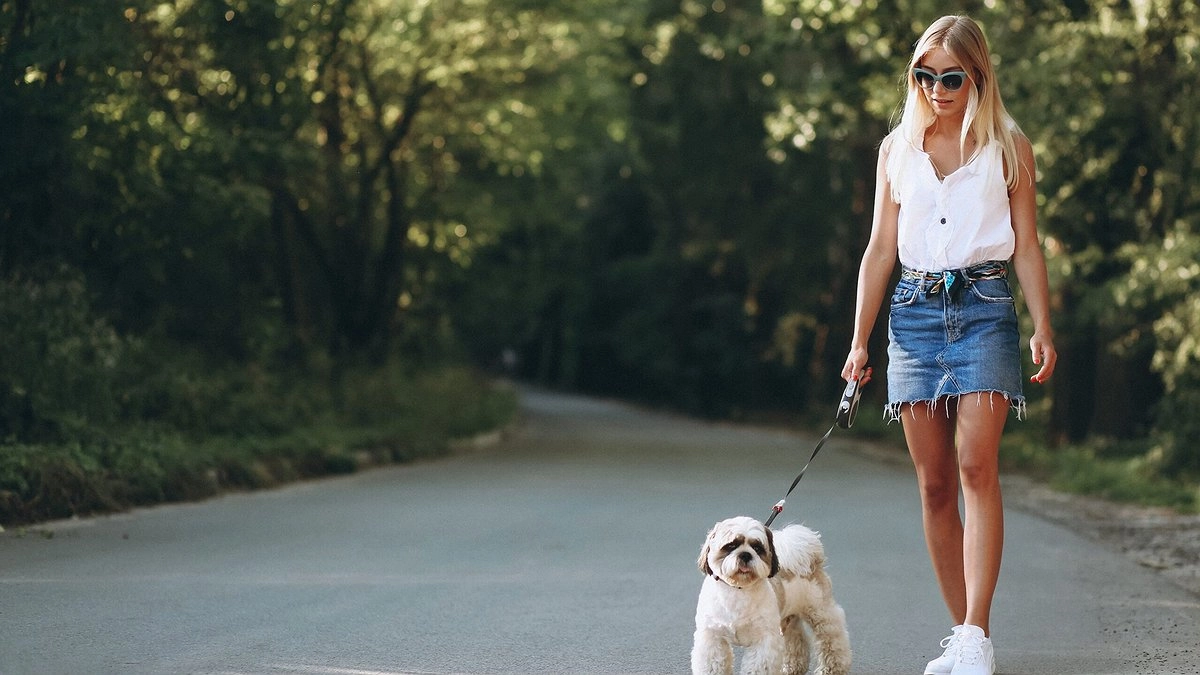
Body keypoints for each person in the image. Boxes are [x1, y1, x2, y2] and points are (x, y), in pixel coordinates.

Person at [840, 15, 1057, 675]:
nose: (937, 88)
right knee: (934, 483)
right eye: (924, 75)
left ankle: (976, 634)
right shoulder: (896, 149)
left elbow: (1026, 243)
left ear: (978, 75)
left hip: (986, 308)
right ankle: (964, 633)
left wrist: (1044, 324)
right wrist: (858, 341)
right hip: (910, 312)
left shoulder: (1010, 147)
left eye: (951, 76)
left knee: (973, 466)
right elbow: (880, 248)